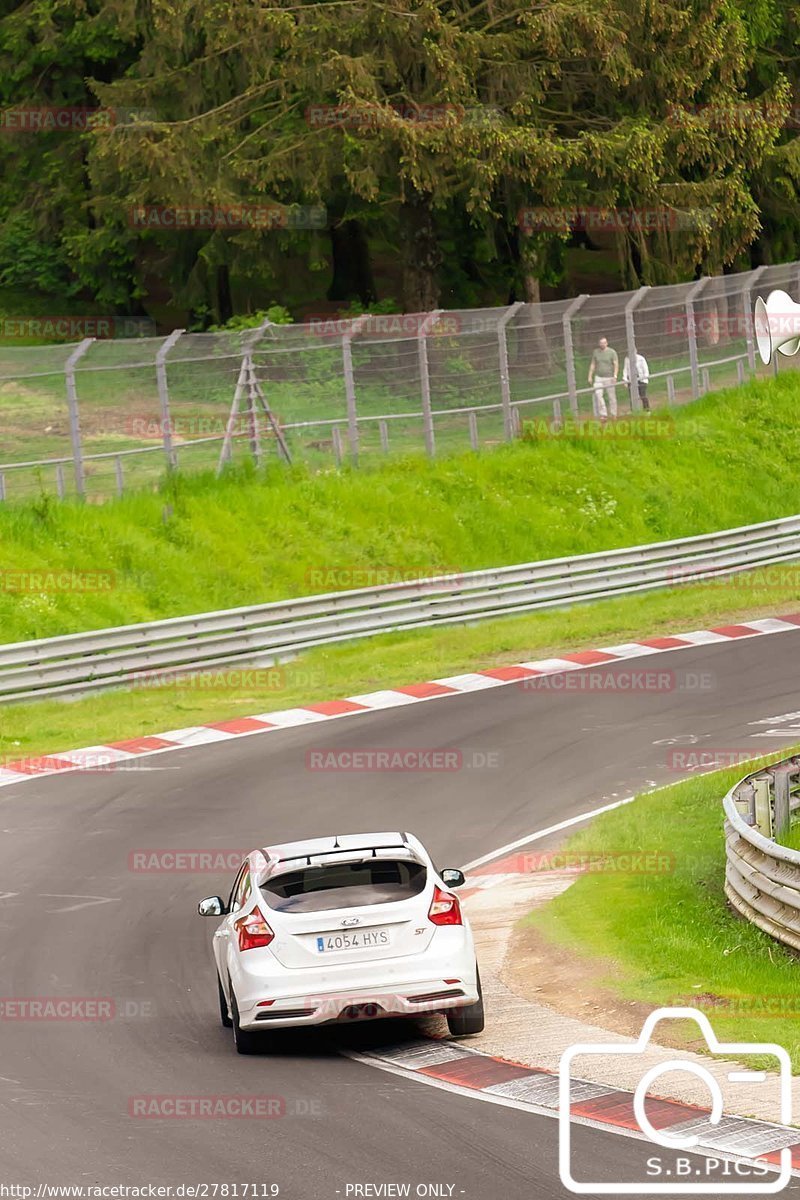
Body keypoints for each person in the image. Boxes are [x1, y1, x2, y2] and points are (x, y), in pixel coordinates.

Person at [588, 336, 618, 420]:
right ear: (599, 344)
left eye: (604, 343)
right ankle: (603, 414)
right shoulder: (596, 352)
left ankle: (613, 413)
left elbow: (616, 364)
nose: (603, 344)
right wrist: (590, 376)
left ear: (607, 343)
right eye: (601, 343)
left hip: (609, 377)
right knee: (598, 395)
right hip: (598, 377)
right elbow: (593, 364)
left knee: (611, 396)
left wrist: (615, 376)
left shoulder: (612, 352)